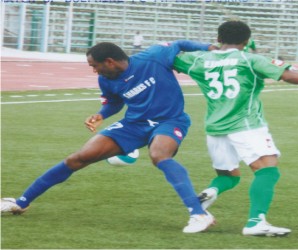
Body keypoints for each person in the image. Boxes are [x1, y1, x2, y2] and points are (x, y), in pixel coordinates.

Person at [1, 40, 217, 234]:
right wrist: (100, 114)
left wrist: (208, 47)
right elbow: (114, 102)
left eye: (94, 66)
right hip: (133, 124)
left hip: (170, 120)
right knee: (77, 158)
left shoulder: (154, 56)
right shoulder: (107, 80)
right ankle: (21, 202)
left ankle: (199, 214)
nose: (94, 71)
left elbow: (180, 44)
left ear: (110, 61)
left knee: (159, 155)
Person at [173, 20, 298, 237]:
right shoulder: (251, 58)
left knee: (229, 176)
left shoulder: (197, 59)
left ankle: (210, 192)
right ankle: (256, 222)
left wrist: (199, 46)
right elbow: (288, 75)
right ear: (247, 41)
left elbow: (169, 57)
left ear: (218, 39)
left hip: (215, 128)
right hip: (245, 125)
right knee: (268, 170)